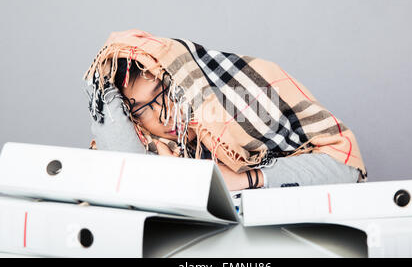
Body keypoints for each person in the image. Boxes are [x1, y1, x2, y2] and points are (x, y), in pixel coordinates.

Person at [84, 29, 367, 191]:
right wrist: (103, 89)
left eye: (162, 94)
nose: (161, 116)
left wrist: (242, 178)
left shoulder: (244, 93)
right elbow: (123, 182)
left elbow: (345, 166)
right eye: (140, 109)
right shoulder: (145, 142)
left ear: (183, 79)